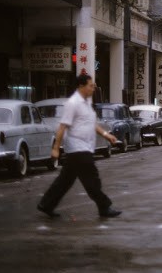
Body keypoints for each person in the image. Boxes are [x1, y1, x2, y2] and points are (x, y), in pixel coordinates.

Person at [37, 74, 122, 218]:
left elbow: (91, 124)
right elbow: (62, 126)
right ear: (81, 86)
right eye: (90, 85)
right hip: (78, 148)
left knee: (65, 180)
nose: (93, 88)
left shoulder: (86, 102)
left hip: (84, 147)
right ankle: (104, 207)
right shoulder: (73, 103)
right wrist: (55, 148)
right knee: (92, 180)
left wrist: (106, 135)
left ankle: (46, 204)